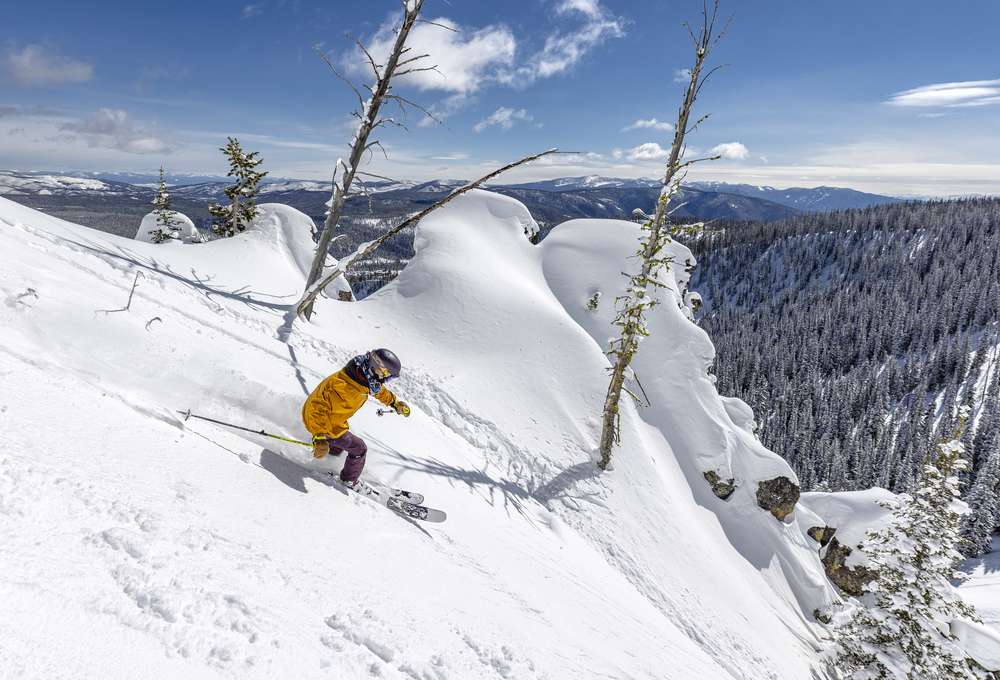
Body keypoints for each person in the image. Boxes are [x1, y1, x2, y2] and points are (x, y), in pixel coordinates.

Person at [302, 348, 411, 488]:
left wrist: (395, 403)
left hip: (334, 421)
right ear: (377, 367)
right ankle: (349, 481)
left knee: (339, 444)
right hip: (325, 425)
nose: (386, 379)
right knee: (359, 449)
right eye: (386, 374)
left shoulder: (361, 376)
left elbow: (378, 391)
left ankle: (326, 461)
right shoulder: (344, 385)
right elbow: (316, 408)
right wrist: (319, 437)